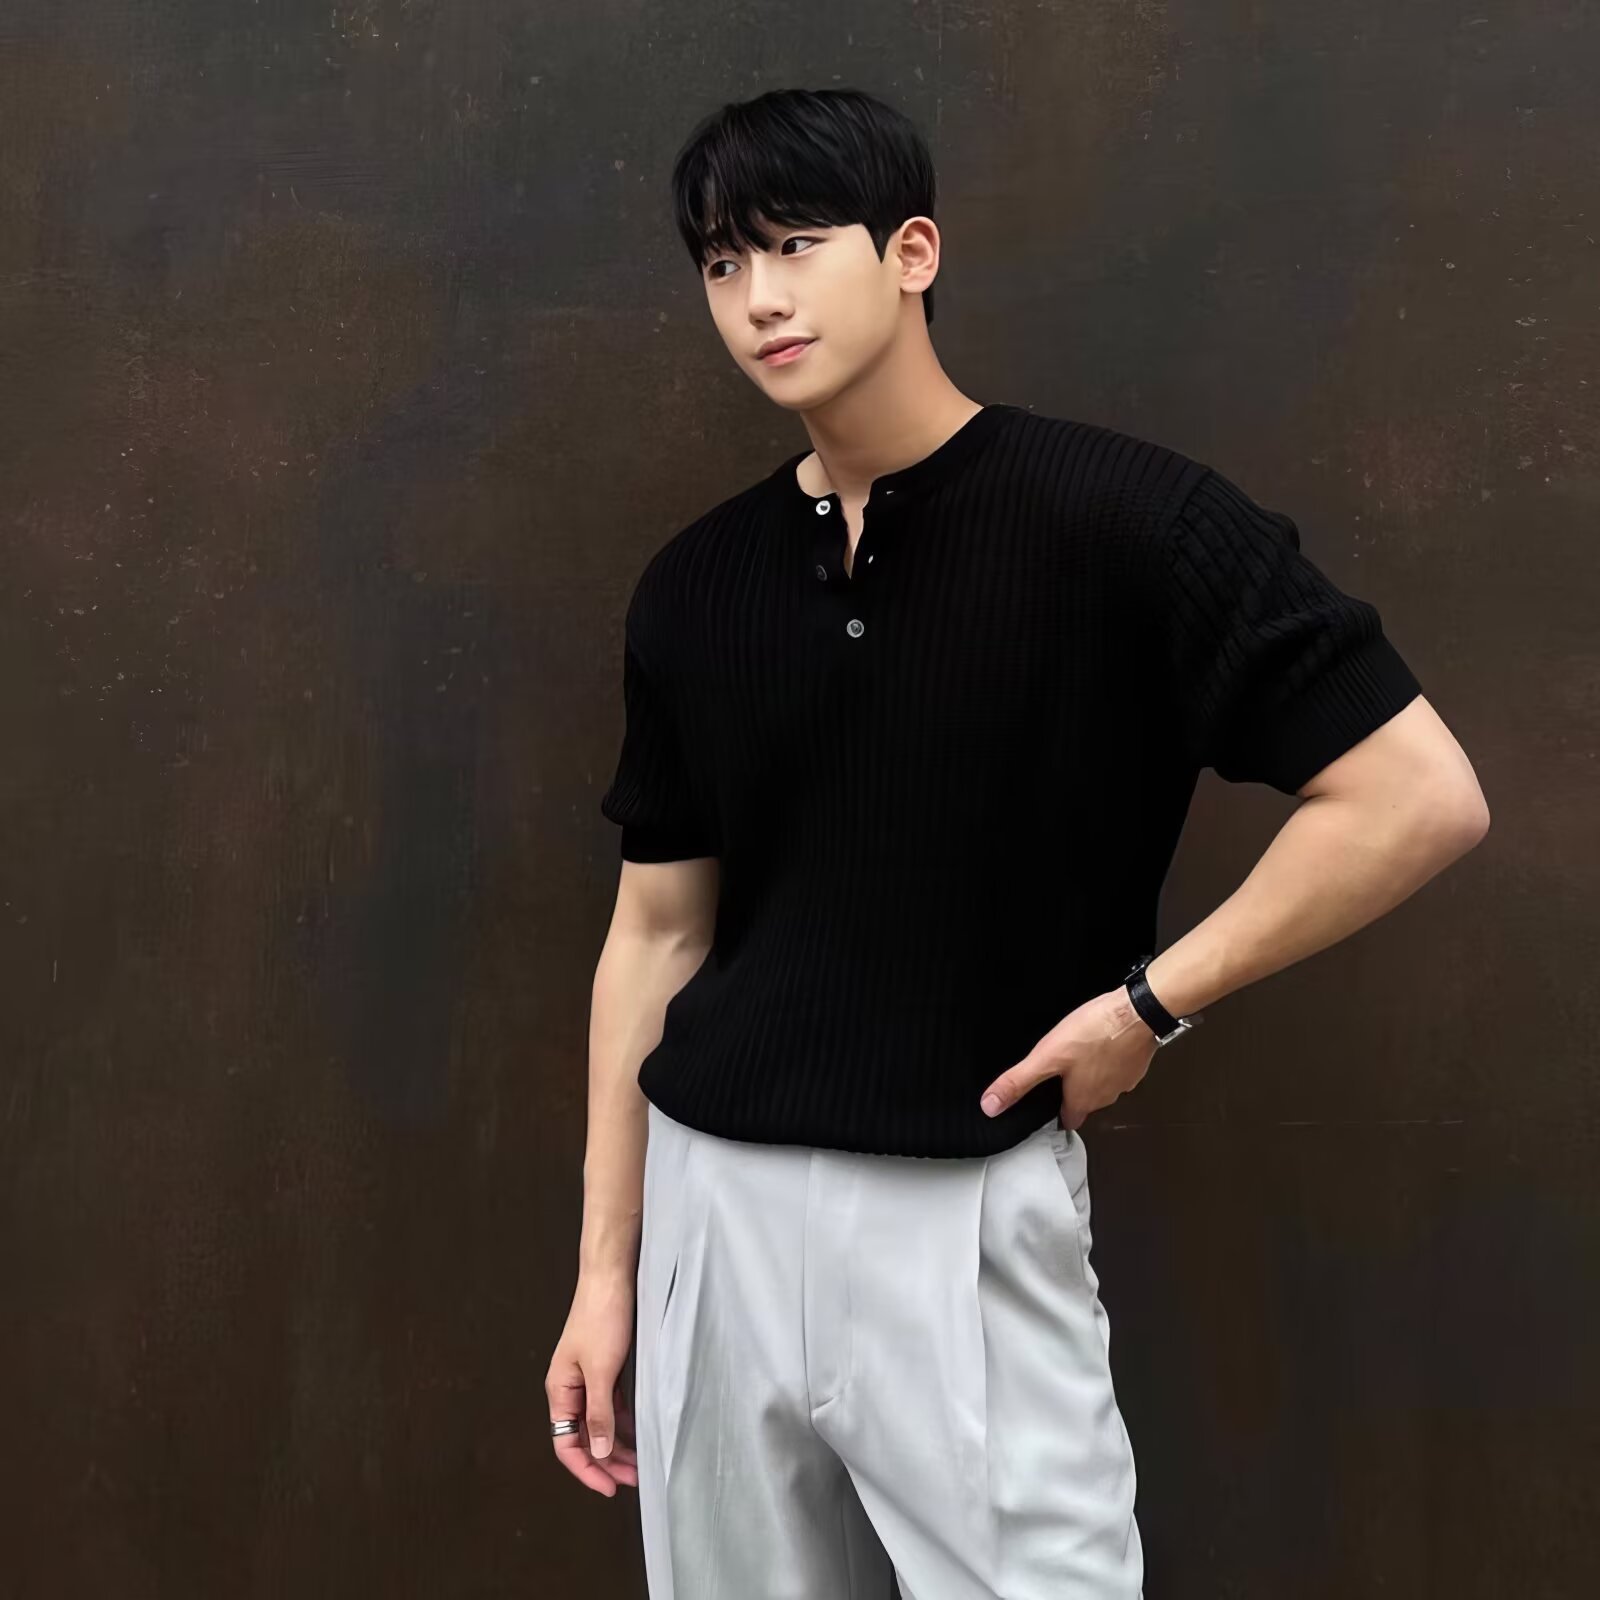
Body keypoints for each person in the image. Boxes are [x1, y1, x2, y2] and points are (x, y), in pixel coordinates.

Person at [546, 86, 1490, 1599]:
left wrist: (1149, 1006)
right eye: (722, 263)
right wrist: (608, 1274)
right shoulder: (695, 585)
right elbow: (654, 936)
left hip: (961, 1197)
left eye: (796, 244)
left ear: (911, 252)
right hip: (711, 1206)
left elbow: (1418, 794)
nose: (759, 297)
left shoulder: (1128, 522)